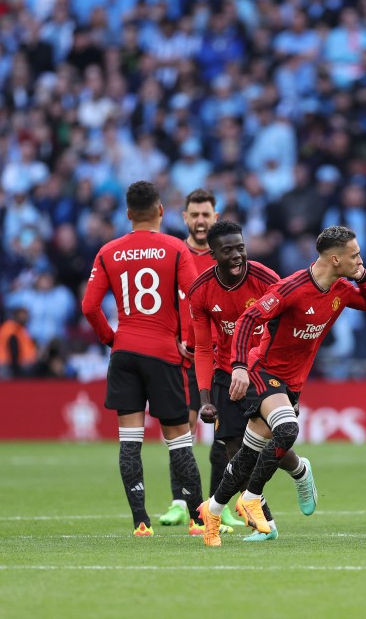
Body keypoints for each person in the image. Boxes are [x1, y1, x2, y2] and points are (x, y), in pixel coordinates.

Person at [197, 225, 366, 546]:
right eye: (355, 256)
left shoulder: (340, 288)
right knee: (286, 430)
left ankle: (212, 510)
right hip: (261, 371)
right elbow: (247, 320)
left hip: (292, 381)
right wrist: (239, 367)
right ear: (336, 259)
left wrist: (363, 276)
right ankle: (253, 497)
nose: (360, 260)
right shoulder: (291, 288)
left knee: (247, 453)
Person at [80, 180, 205, 537]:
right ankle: (198, 521)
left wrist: (111, 338)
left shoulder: (108, 251)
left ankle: (140, 522)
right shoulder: (176, 248)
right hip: (164, 354)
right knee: (179, 440)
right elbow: (192, 300)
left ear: (129, 214)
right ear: (161, 211)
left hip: (125, 353)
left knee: (129, 440)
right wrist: (189, 342)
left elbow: (89, 306)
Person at [189, 220, 318, 542]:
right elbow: (203, 347)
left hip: (262, 370)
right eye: (228, 250)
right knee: (236, 451)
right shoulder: (201, 290)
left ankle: (300, 470)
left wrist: (245, 366)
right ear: (213, 253)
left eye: (240, 248)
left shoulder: (266, 279)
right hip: (223, 373)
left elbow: (279, 332)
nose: (237, 256)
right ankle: (267, 524)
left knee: (271, 439)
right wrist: (205, 397)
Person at [158, 188, 225, 527]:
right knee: (180, 431)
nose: (200, 221)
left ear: (216, 216)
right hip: (181, 356)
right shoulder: (171, 254)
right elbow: (164, 304)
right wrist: (173, 338)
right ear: (184, 217)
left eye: (206, 214)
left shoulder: (224, 255)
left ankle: (220, 503)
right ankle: (180, 502)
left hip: (220, 358)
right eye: (194, 215)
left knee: (224, 435)